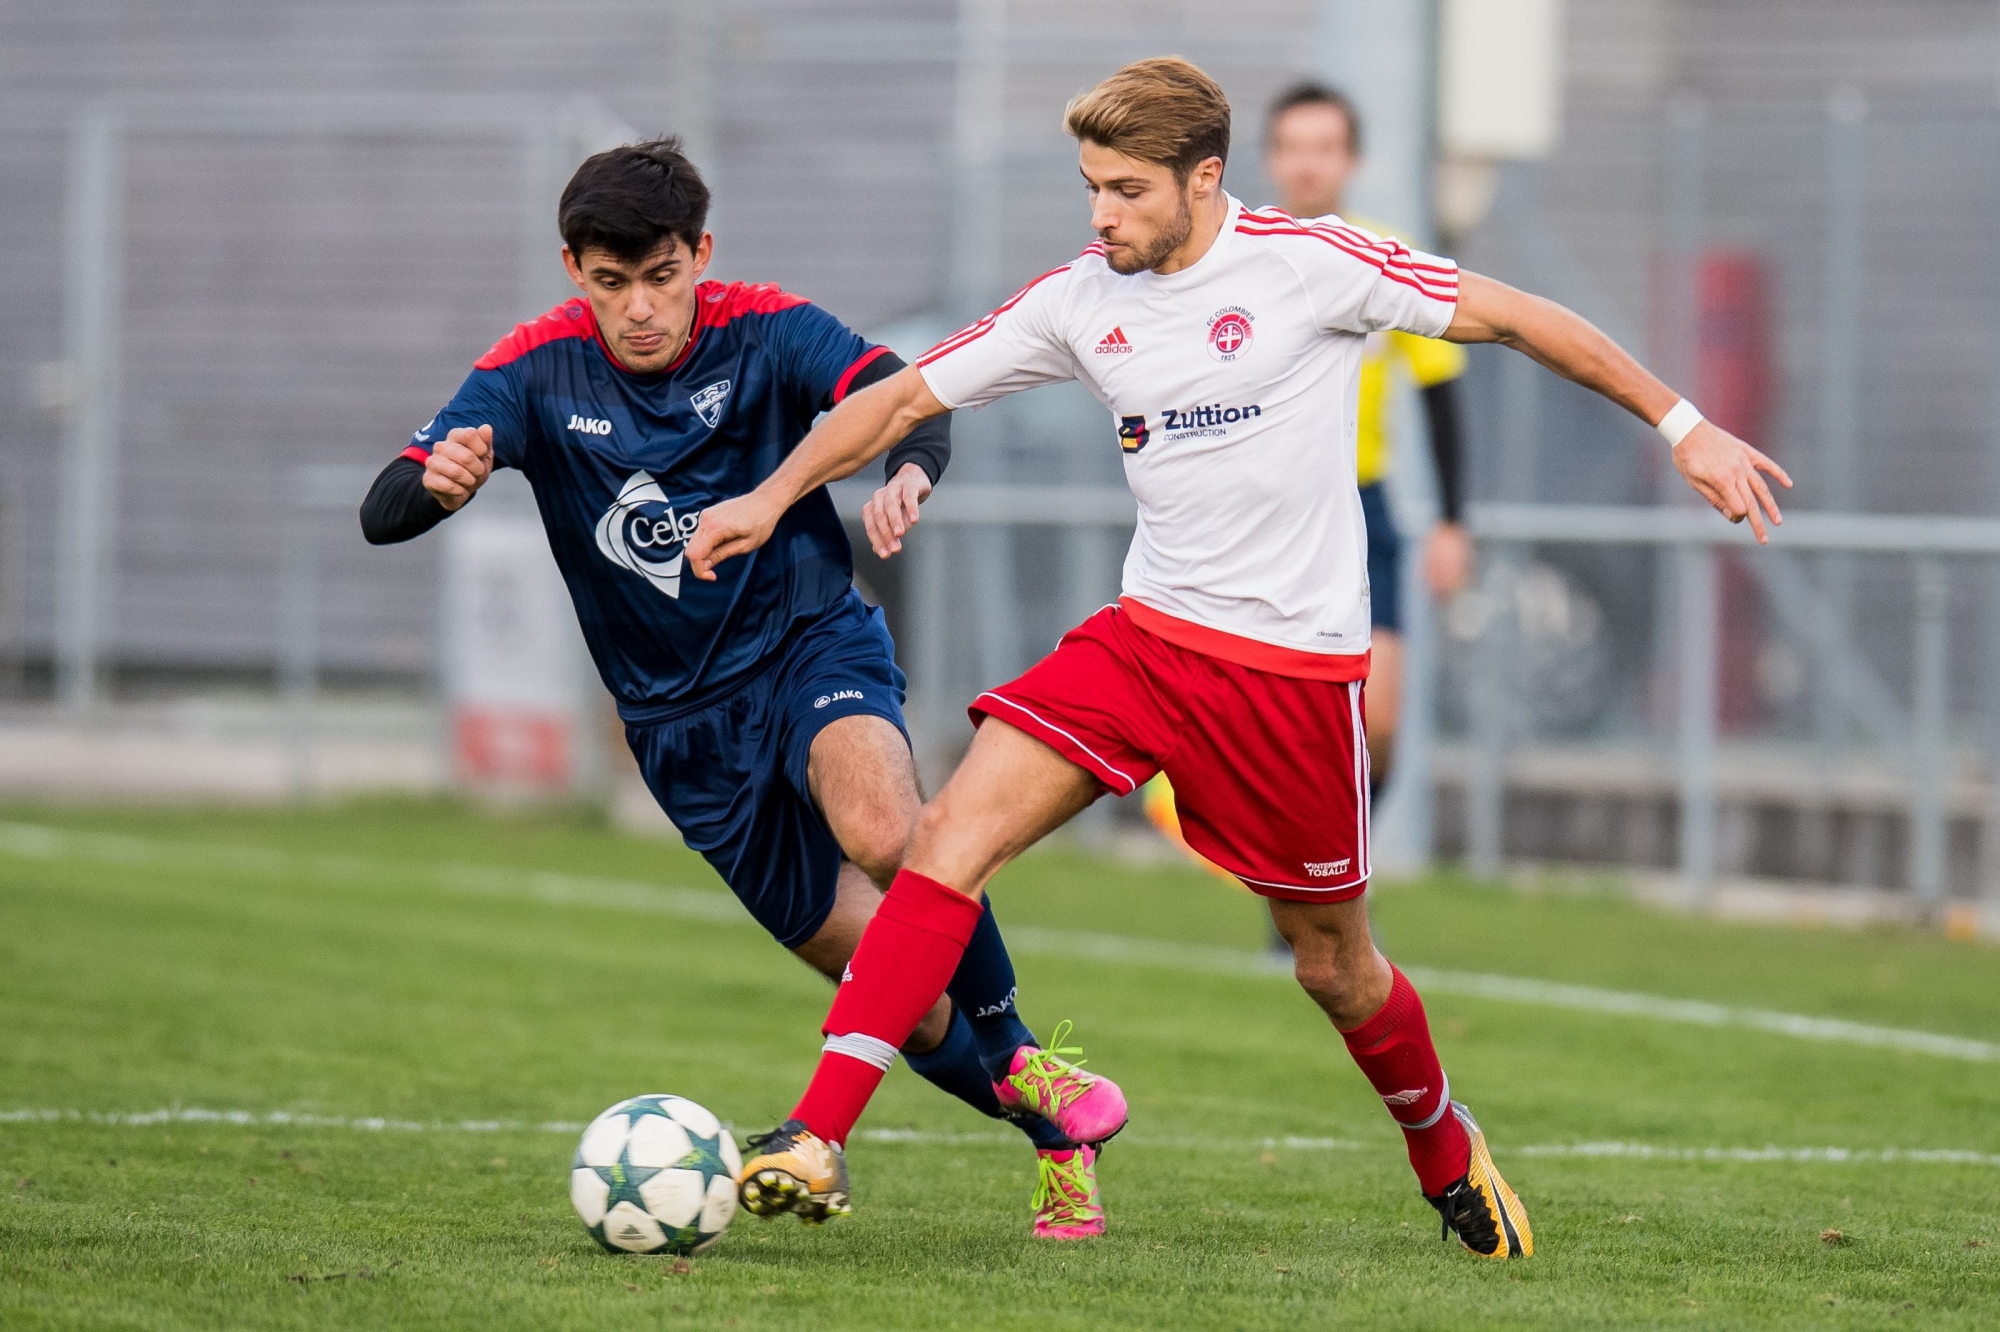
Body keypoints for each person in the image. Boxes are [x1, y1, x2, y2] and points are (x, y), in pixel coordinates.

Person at [691, 59, 1787, 1258]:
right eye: (1087, 187)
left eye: (1122, 190)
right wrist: (774, 491)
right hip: (1142, 644)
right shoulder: (1077, 296)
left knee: (1333, 966)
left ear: (1201, 180)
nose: (1098, 214)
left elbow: (1525, 319)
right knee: (944, 840)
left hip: (1287, 684)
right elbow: (897, 400)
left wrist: (1684, 427)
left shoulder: (1312, 265)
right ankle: (815, 1134)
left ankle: (1440, 1147)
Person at [357, 138, 1128, 1241]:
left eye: (660, 277)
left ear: (699, 256)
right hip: (678, 733)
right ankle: (1054, 1132)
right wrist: (437, 486)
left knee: (882, 829)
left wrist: (914, 467)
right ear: (574, 268)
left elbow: (903, 394)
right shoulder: (531, 370)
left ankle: (1014, 1055)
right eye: (611, 283)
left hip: (807, 644)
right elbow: (387, 502)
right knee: (896, 996)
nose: (639, 310)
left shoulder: (765, 328)